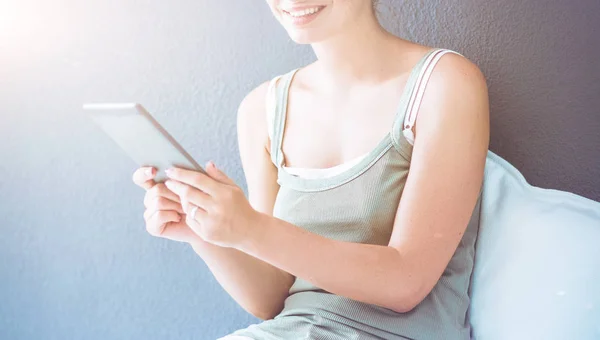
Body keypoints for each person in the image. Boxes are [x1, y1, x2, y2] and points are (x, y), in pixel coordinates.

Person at [132, 0, 490, 339]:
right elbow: (272, 298)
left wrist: (252, 228)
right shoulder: (262, 109)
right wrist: (204, 231)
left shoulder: (445, 83)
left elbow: (406, 282)